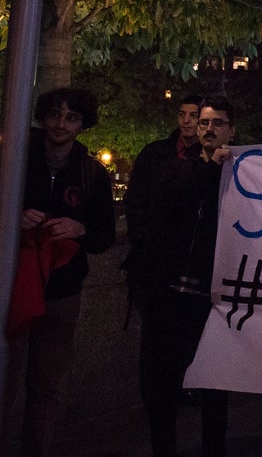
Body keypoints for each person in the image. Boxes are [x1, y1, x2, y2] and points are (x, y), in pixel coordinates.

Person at [3, 87, 115, 456]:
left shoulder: (92, 173)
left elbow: (104, 236)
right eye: (55, 114)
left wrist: (79, 229)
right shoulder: (13, 158)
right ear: (41, 117)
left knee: (48, 384)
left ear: (83, 124)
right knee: (5, 375)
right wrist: (12, 219)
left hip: (62, 292)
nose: (61, 124)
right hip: (10, 287)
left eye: (71, 116)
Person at [126, 98, 235, 457]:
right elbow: (167, 201)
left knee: (214, 388)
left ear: (231, 130)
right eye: (204, 122)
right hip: (167, 292)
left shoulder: (241, 172)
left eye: (218, 123)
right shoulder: (177, 165)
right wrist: (207, 167)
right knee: (162, 387)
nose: (208, 128)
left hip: (211, 297)